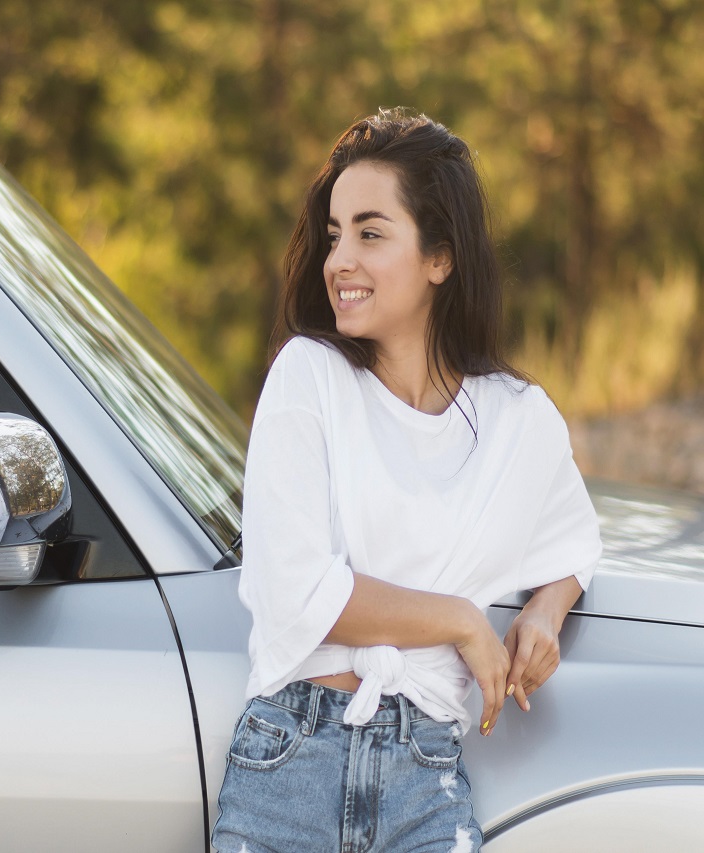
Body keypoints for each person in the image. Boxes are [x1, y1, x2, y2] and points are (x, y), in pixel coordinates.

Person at [211, 109, 602, 852]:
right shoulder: (308, 376)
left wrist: (546, 614)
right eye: (334, 235)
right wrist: (460, 621)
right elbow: (296, 593)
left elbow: (574, 543)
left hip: (427, 776)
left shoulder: (519, 419)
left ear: (440, 258)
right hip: (289, 759)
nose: (338, 261)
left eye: (370, 232)